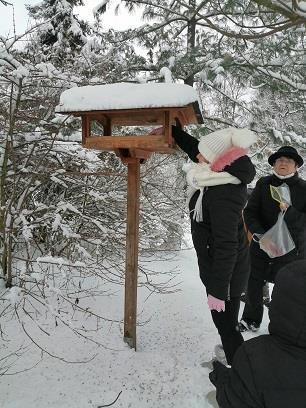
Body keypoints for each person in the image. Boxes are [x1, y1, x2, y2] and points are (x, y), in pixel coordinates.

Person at [169, 125, 257, 365]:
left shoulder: (223, 191)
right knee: (227, 326)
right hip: (224, 270)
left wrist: (218, 290)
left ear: (220, 158)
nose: (198, 156)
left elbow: (226, 245)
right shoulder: (218, 174)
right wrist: (173, 131)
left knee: (227, 327)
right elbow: (197, 149)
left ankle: (241, 377)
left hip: (225, 274)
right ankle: (235, 362)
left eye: (204, 154)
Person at [209, 259, 306, 407]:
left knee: (227, 327)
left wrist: (223, 379)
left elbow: (233, 401)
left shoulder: (254, 358)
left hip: (230, 281)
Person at [239, 145, 306, 332]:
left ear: (296, 166)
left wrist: (290, 212)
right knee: (254, 281)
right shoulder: (264, 184)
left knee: (285, 287)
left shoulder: (304, 188)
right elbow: (250, 211)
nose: (283, 163)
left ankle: (280, 325)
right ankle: (250, 319)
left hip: (292, 248)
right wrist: (260, 234)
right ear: (274, 164)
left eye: (288, 161)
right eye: (279, 160)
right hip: (262, 243)